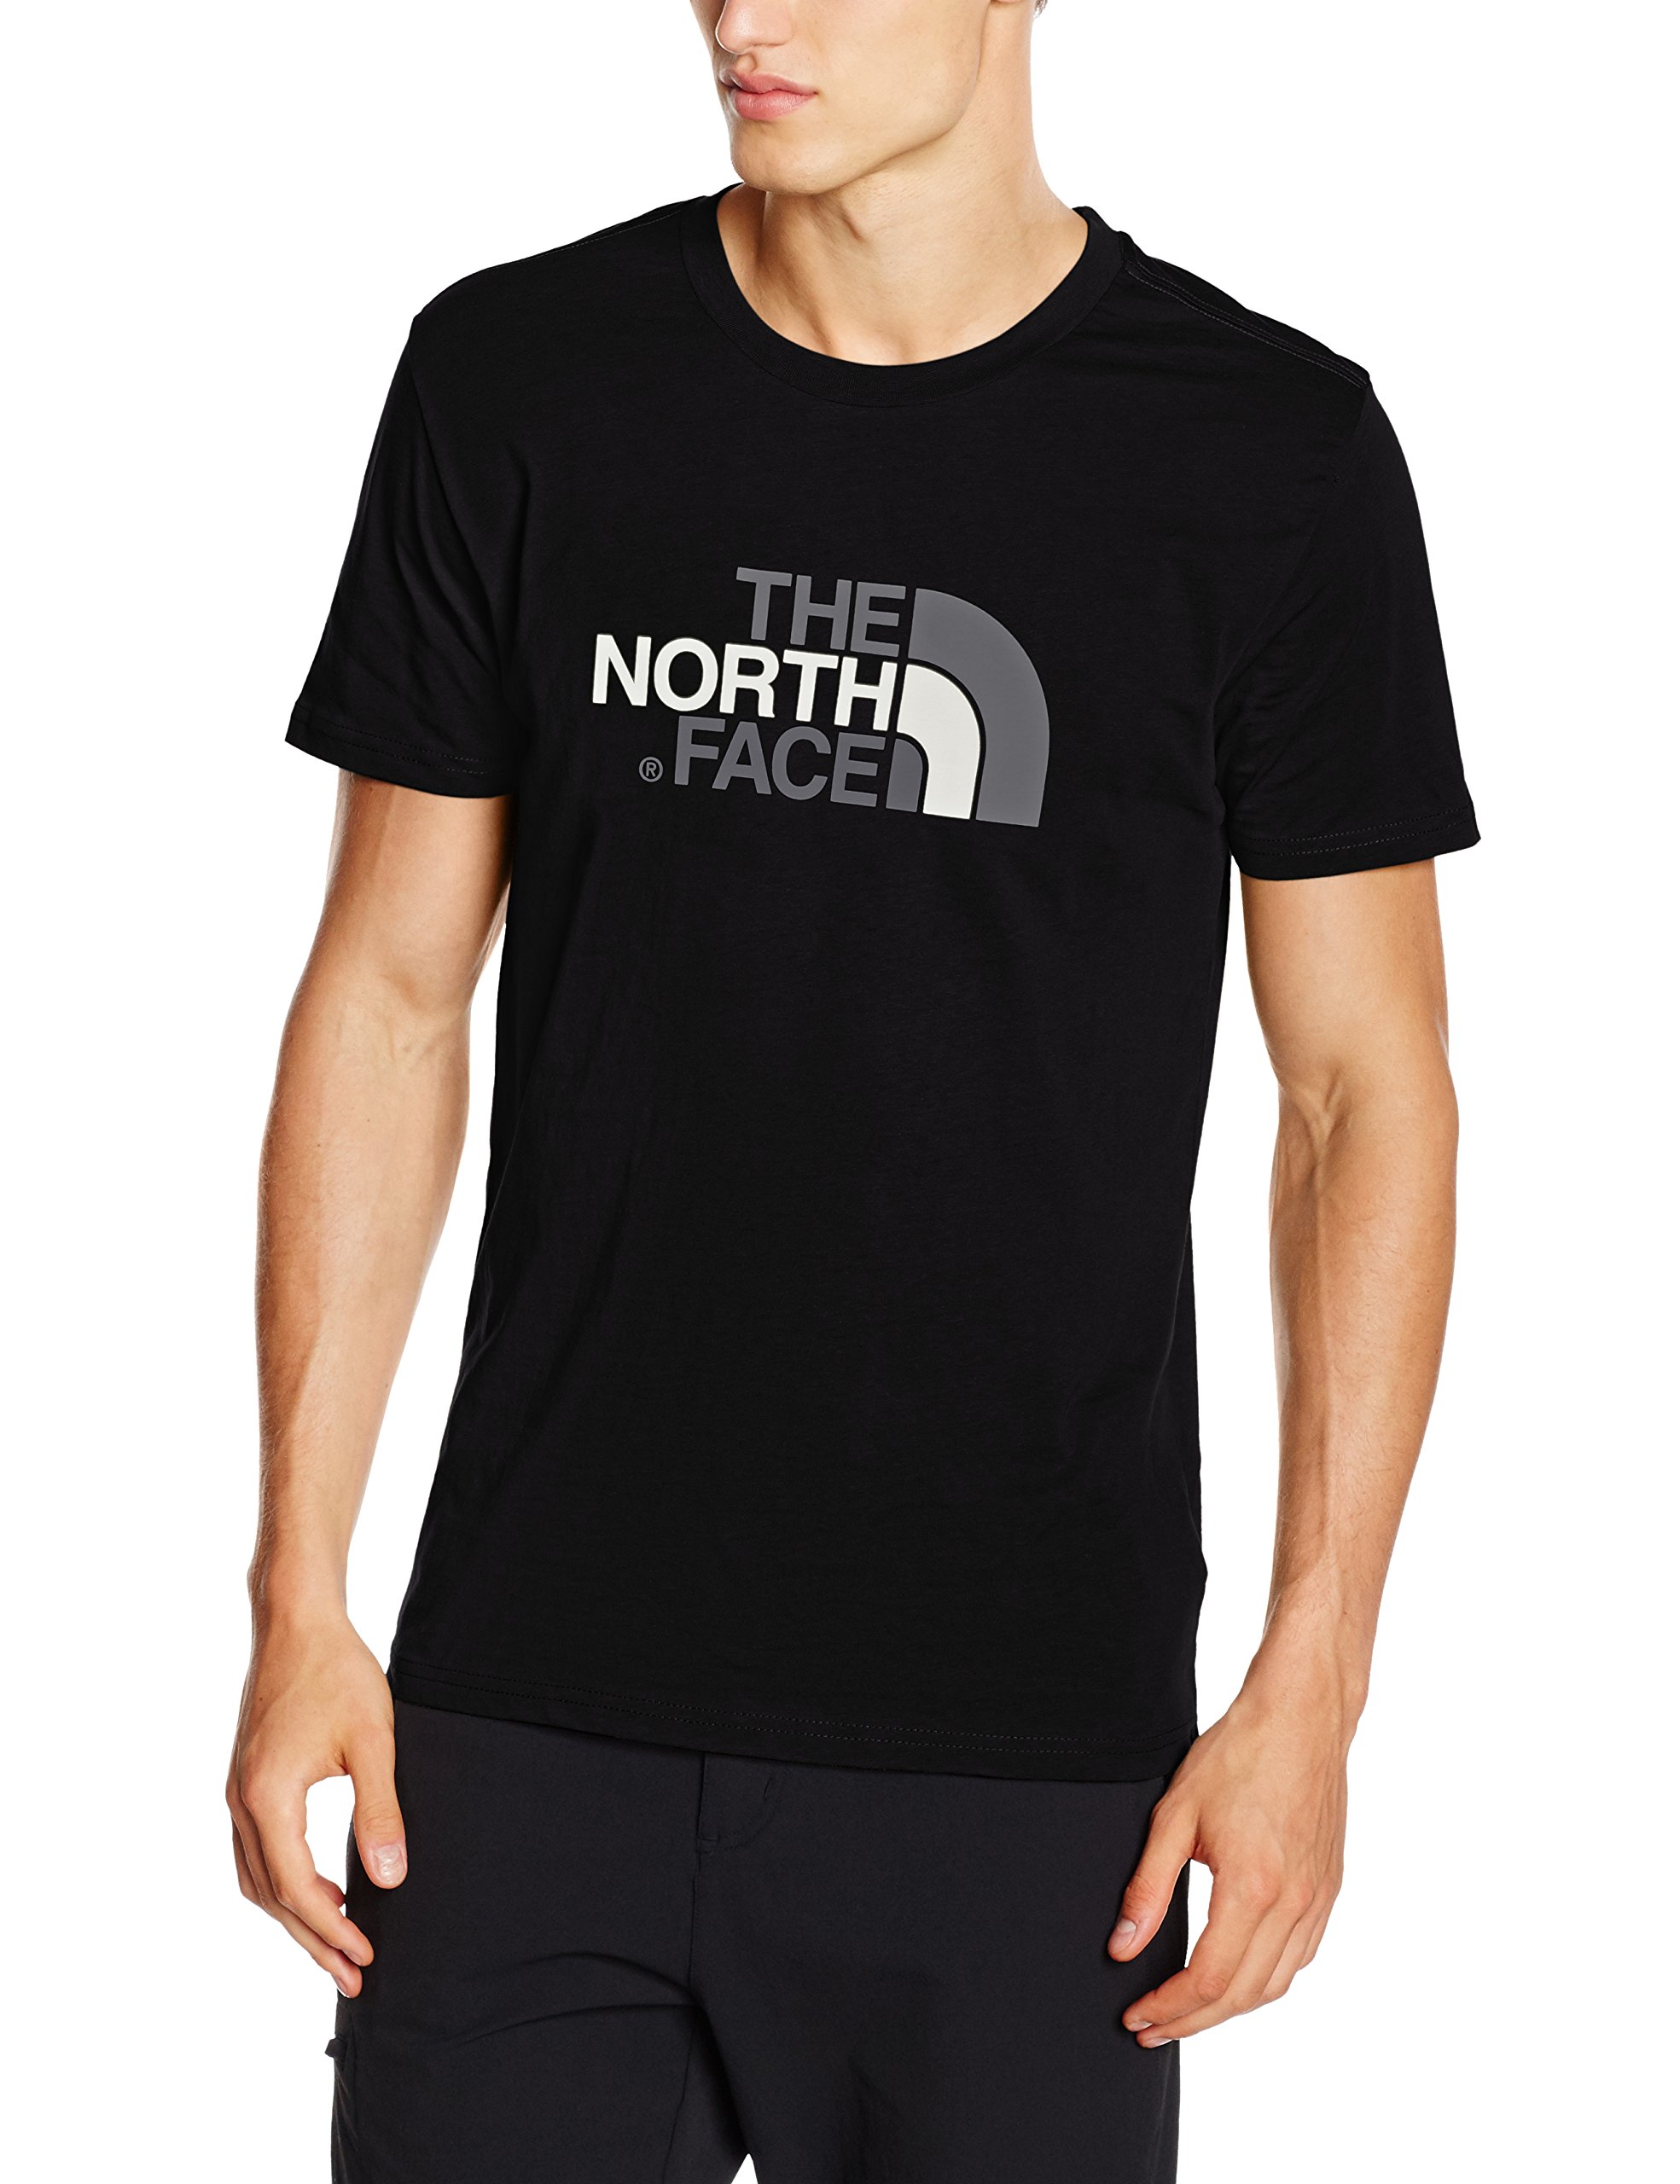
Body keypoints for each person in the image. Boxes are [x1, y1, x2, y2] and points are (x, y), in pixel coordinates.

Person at [229, 3, 1477, 2177]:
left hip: (1026, 1757)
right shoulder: (520, 379)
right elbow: (390, 993)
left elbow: (1362, 1096)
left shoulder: (1264, 451)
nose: (743, 12)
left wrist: (1314, 1678)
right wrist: (295, 1592)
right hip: (527, 1708)